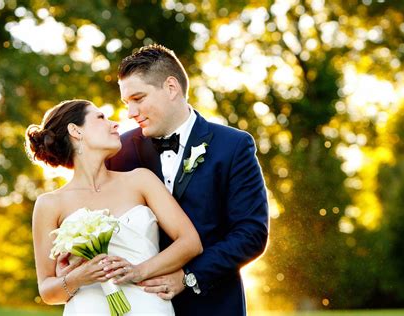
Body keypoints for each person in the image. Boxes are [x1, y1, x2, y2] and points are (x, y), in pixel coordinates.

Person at [106, 44, 269, 315]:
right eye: (126, 103)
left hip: (213, 304)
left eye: (138, 98)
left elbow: (251, 233)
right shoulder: (119, 151)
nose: (130, 113)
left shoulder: (233, 146)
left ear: (171, 88)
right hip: (137, 305)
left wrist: (188, 276)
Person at [26, 99, 202, 315]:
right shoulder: (50, 204)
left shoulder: (141, 180)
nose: (115, 124)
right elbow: (47, 291)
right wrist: (79, 277)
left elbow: (191, 242)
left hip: (148, 306)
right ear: (75, 130)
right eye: (100, 118)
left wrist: (139, 271)